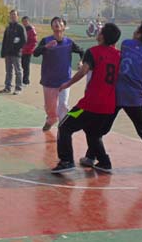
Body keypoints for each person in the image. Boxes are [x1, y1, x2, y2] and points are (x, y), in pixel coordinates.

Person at [82, 21, 142, 173]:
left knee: (98, 128)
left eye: (137, 29)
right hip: (134, 99)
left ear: (139, 34)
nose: (134, 31)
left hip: (115, 96)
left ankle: (91, 156)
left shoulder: (126, 44)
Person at [51, 23, 121, 174]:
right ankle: (104, 162)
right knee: (93, 133)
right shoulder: (119, 55)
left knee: (64, 126)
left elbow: (83, 71)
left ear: (102, 36)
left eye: (100, 31)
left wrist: (68, 83)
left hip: (88, 106)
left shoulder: (93, 52)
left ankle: (66, 161)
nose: (98, 32)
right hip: (108, 106)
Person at [33, 17, 84, 131]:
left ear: (64, 27)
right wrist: (46, 47)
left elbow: (82, 51)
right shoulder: (46, 40)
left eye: (59, 22)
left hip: (65, 80)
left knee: (63, 105)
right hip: (49, 81)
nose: (57, 23)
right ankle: (51, 120)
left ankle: (63, 129)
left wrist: (81, 61)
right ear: (52, 27)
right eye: (54, 22)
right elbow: (35, 53)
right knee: (50, 108)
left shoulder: (69, 42)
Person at [0, 9, 27, 94]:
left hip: (16, 53)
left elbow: (24, 40)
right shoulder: (8, 27)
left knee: (18, 71)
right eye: (11, 14)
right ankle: (7, 87)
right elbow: (4, 40)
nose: (13, 16)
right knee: (8, 71)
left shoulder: (20, 27)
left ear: (17, 16)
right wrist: (3, 52)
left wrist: (17, 47)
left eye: (14, 14)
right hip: (8, 53)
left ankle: (18, 88)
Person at [21, 16, 38, 85]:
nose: (25, 23)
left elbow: (34, 41)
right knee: (22, 65)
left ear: (28, 21)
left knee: (26, 66)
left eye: (26, 21)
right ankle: (23, 80)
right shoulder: (22, 29)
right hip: (22, 51)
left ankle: (26, 81)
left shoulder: (31, 30)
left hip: (28, 51)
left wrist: (28, 49)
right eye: (23, 21)